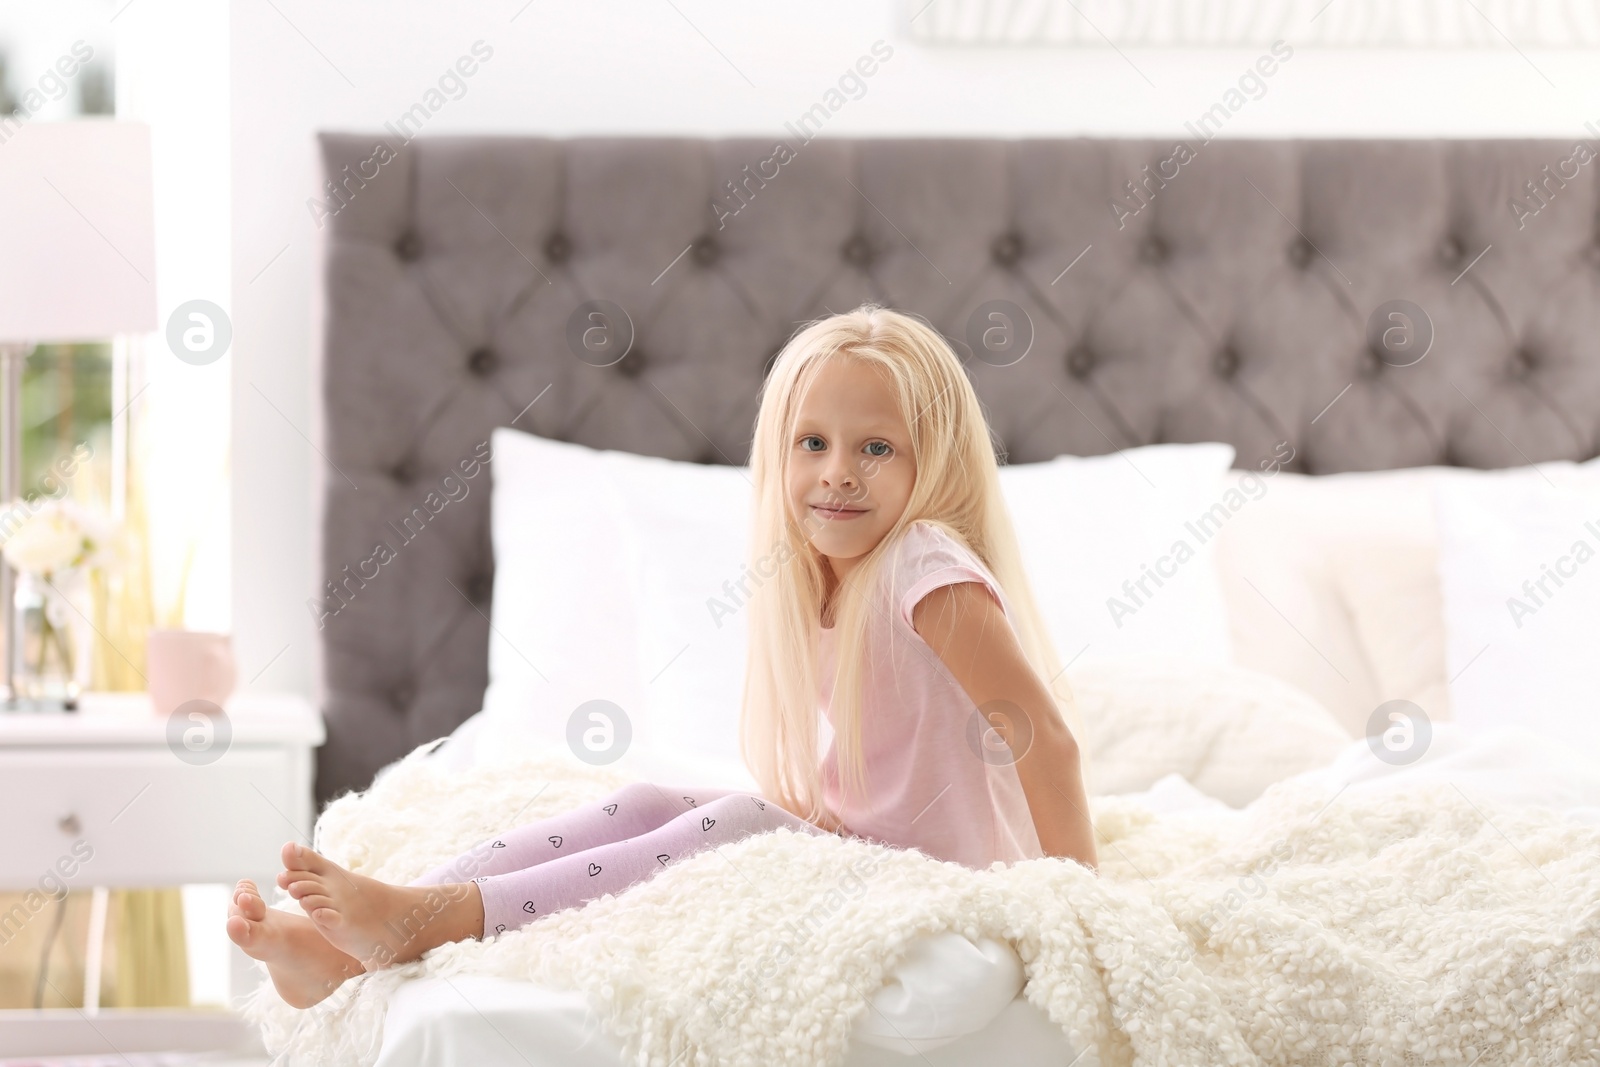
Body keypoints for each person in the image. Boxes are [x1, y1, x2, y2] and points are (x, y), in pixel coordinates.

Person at [226, 303, 1098, 1009]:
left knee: (736, 823)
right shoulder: (828, 575)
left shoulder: (924, 565)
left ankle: (433, 920)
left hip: (951, 877)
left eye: (876, 448)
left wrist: (1082, 906)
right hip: (874, 846)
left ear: (932, 461)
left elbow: (1045, 738)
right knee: (651, 798)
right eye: (813, 443)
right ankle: (389, 921)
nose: (838, 472)